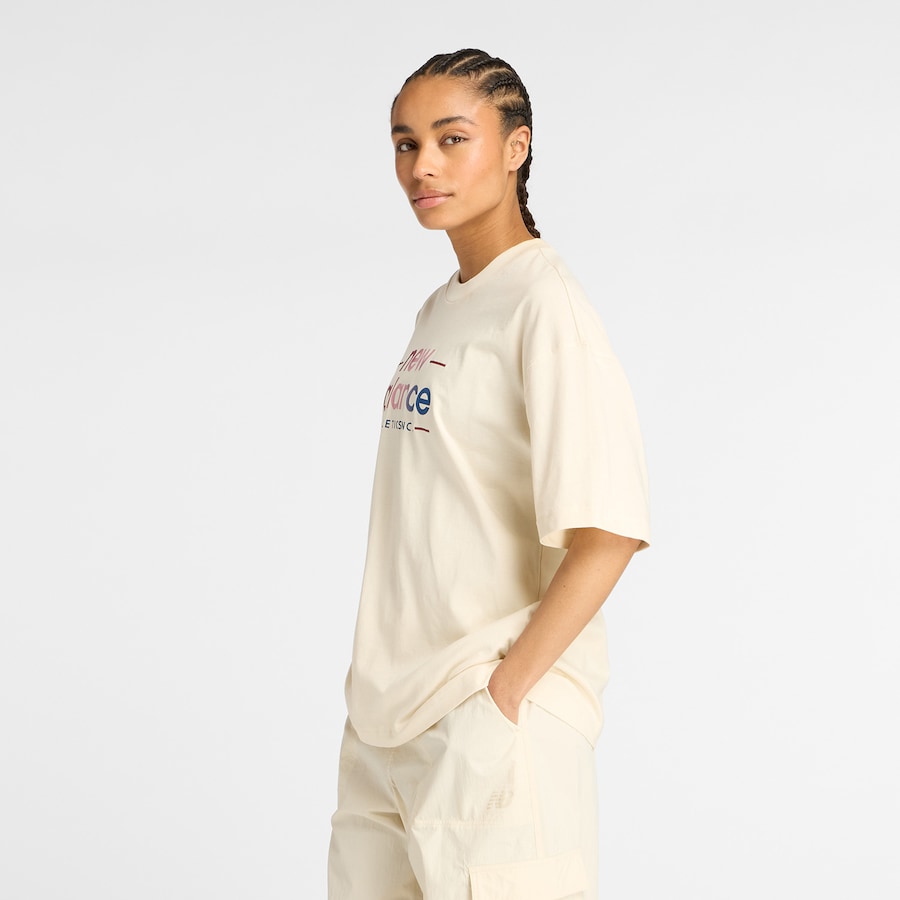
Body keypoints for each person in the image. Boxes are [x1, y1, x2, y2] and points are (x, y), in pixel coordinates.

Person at [327, 48, 651, 900]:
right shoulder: (445, 305)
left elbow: (609, 532)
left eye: (451, 138)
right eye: (405, 143)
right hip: (387, 721)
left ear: (516, 146)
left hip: (490, 716)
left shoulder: (546, 304)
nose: (422, 166)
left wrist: (503, 697)